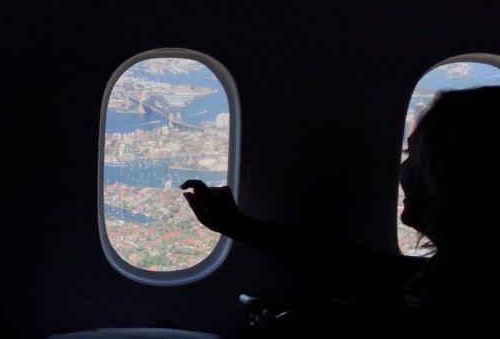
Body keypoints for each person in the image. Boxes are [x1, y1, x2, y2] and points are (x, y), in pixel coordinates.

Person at [181, 86, 500, 333]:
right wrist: (237, 225)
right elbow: (359, 267)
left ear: (449, 179)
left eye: (415, 156)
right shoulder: (464, 270)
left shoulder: (468, 289)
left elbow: (361, 270)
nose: (402, 170)